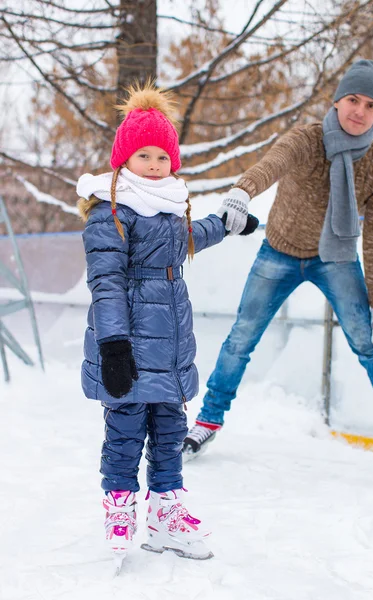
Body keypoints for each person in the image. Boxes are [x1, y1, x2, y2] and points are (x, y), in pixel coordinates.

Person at [183, 59, 373, 475]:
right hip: (279, 253)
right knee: (241, 338)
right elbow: (272, 164)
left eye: (371, 105)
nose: (359, 110)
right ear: (337, 100)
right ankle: (208, 422)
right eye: (353, 99)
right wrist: (241, 193)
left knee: (370, 344)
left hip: (336, 259)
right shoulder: (307, 139)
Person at [76, 82, 258, 563]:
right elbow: (107, 282)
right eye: (144, 156)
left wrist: (229, 223)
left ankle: (165, 516)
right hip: (130, 344)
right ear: (124, 160)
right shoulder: (111, 211)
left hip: (171, 342)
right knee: (126, 428)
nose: (155, 164)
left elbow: (191, 237)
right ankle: (120, 507)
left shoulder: (171, 206)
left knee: (171, 430)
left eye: (163, 156)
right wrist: (114, 346)